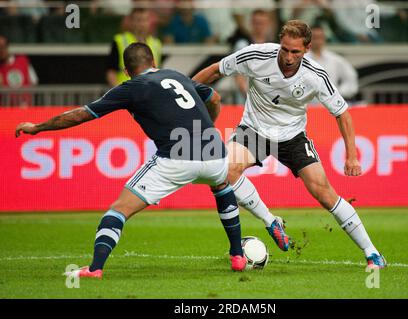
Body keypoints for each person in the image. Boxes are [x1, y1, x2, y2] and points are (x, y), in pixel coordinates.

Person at [15, 42, 247, 277]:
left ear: (126, 71)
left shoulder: (130, 87)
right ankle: (238, 255)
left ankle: (95, 268)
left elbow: (80, 115)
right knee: (221, 186)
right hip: (215, 153)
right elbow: (215, 98)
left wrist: (37, 127)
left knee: (118, 210)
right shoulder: (177, 76)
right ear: (154, 63)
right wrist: (207, 128)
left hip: (176, 159)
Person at [193, 20, 387, 268]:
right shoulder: (256, 55)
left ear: (306, 49)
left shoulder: (316, 76)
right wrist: (185, 91)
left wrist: (352, 155)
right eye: (284, 49)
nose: (287, 56)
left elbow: (342, 114)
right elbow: (215, 70)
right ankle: (271, 221)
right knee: (223, 171)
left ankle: (372, 253)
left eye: (295, 51)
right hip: (254, 130)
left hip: (293, 137)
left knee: (324, 194)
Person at [106, 8, 162, 87]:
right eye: (139, 20)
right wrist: (119, 92)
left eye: (145, 20)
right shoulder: (119, 40)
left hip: (149, 93)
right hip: (126, 91)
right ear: (131, 22)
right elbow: (111, 72)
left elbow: (157, 71)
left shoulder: (156, 43)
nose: (142, 24)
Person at [305, 25, 358, 101]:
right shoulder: (301, 59)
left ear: (324, 39)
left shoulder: (335, 59)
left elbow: (351, 78)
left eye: (320, 37)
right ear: (308, 40)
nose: (317, 41)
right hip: (307, 107)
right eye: (314, 38)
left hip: (331, 106)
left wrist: (337, 93)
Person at [0, 34, 38, 106]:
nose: (0, 51)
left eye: (2, 47)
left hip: (25, 108)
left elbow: (34, 82)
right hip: (5, 110)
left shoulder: (22, 60)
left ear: (7, 47)